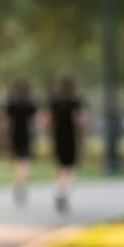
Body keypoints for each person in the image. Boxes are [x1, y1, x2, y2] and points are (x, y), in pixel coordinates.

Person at [48, 76, 87, 213]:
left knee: (60, 165)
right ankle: (64, 192)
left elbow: (47, 119)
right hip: (71, 138)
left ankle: (60, 189)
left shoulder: (54, 100)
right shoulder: (75, 101)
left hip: (57, 137)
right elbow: (80, 120)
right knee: (70, 167)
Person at [0, 79, 38, 206]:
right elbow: (36, 121)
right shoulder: (30, 104)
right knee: (25, 162)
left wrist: (3, 135)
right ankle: (24, 186)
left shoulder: (13, 103)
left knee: (17, 162)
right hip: (27, 135)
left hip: (14, 134)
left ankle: (17, 185)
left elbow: (4, 120)